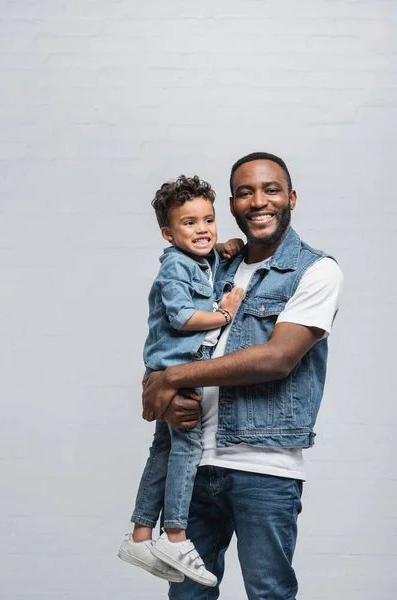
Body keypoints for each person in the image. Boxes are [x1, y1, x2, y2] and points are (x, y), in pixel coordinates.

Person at [142, 152, 344, 600]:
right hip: (192, 464)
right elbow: (169, 336)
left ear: (290, 198)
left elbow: (276, 359)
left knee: (268, 593)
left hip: (263, 468)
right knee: (187, 596)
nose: (259, 201)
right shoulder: (212, 267)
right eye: (245, 192)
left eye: (271, 190)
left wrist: (172, 377)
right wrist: (162, 385)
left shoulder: (315, 271)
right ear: (232, 205)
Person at [118, 175, 244, 586]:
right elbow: (183, 317)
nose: (203, 229)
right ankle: (175, 535)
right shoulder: (175, 266)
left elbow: (209, 262)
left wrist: (224, 252)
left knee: (162, 451)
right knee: (187, 448)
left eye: (208, 219)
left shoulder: (198, 258)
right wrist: (225, 313)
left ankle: (140, 535)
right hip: (178, 372)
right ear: (168, 233)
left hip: (173, 369)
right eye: (189, 223)